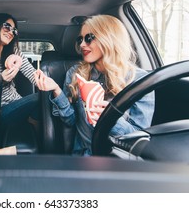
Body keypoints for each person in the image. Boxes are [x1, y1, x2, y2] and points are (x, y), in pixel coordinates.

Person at [34, 14, 155, 156]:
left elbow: (139, 138)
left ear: (109, 39)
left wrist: (110, 118)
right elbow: (70, 120)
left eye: (89, 38)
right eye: (80, 39)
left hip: (121, 158)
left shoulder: (139, 80)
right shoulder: (76, 73)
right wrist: (56, 90)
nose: (82, 44)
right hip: (85, 155)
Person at [0, 13, 39, 126]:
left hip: (17, 103)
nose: (11, 32)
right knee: (40, 98)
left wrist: (53, 87)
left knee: (45, 97)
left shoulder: (14, 52)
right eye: (7, 26)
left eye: (14, 30)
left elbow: (34, 76)